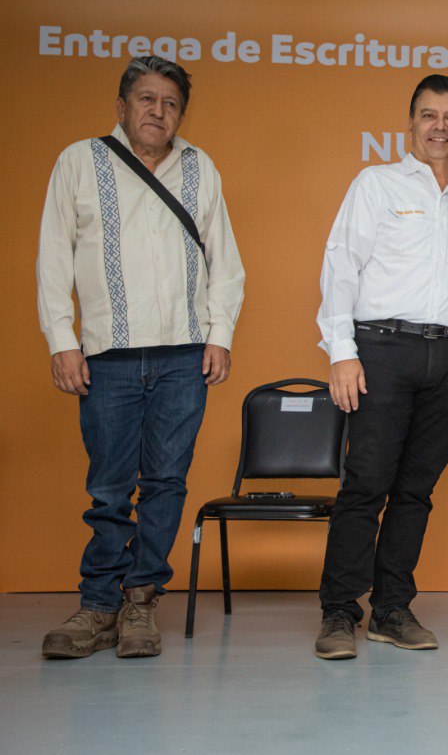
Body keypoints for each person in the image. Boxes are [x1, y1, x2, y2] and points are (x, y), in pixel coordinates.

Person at [37, 56, 246, 659]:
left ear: (181, 114)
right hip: (108, 356)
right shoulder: (79, 162)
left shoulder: (200, 167)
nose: (159, 111)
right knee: (108, 487)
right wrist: (62, 341)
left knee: (165, 483)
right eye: (147, 99)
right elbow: (53, 258)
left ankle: (140, 602)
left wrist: (220, 334)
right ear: (122, 106)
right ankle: (97, 606)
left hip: (184, 355)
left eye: (171, 103)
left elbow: (224, 261)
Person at [314, 74, 448, 660]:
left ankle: (391, 609)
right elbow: (341, 266)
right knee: (366, 484)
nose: (440, 126)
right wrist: (342, 352)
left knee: (416, 490)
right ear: (410, 124)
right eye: (429, 115)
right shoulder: (376, 184)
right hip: (382, 350)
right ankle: (339, 611)